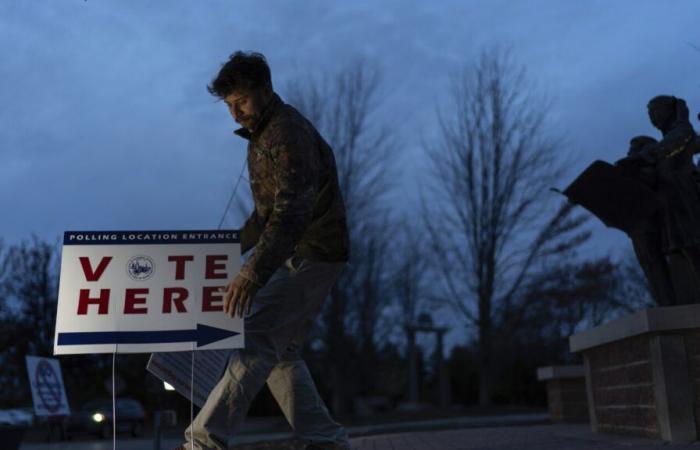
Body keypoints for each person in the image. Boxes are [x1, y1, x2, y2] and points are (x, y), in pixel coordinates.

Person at [177, 51, 351, 450]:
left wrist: (251, 273)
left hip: (315, 252)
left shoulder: (286, 134)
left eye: (242, 101)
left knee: (254, 338)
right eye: (229, 106)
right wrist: (225, 249)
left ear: (266, 89)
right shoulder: (262, 136)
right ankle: (325, 439)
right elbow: (265, 216)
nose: (236, 114)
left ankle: (203, 442)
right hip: (302, 250)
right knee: (280, 349)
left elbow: (291, 213)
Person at [638, 96, 700, 304]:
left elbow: (676, 141)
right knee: (681, 248)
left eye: (656, 111)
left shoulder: (682, 131)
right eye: (650, 114)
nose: (653, 117)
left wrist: (651, 152)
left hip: (685, 197)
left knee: (693, 243)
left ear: (669, 111)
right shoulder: (666, 139)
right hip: (669, 202)